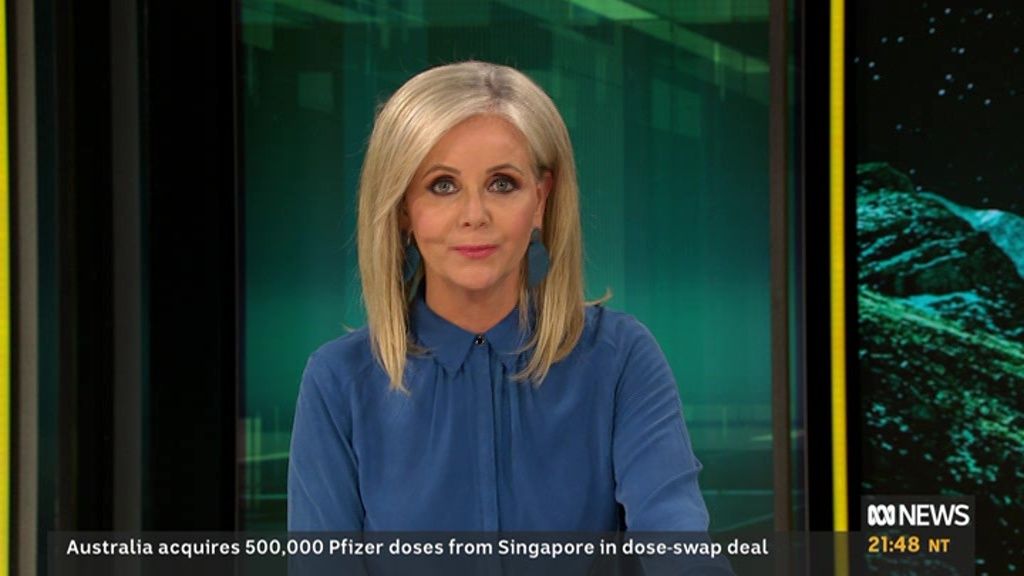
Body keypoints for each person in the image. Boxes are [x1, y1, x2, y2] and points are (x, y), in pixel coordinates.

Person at [287, 61, 712, 533]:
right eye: (442, 185)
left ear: (541, 199)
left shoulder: (620, 358)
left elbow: (677, 539)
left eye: (502, 184)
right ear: (403, 208)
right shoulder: (338, 381)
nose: (474, 214)